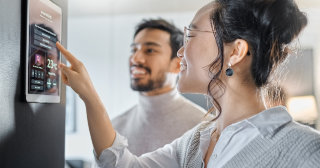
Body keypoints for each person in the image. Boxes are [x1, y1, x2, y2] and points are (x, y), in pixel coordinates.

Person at [57, 0, 320, 167]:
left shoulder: (307, 151)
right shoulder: (198, 140)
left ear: (236, 53)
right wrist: (90, 96)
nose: (180, 52)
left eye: (191, 35)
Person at [111, 19, 207, 156]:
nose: (135, 58)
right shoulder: (114, 128)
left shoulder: (203, 127)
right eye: (134, 50)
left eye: (149, 50)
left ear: (177, 65)